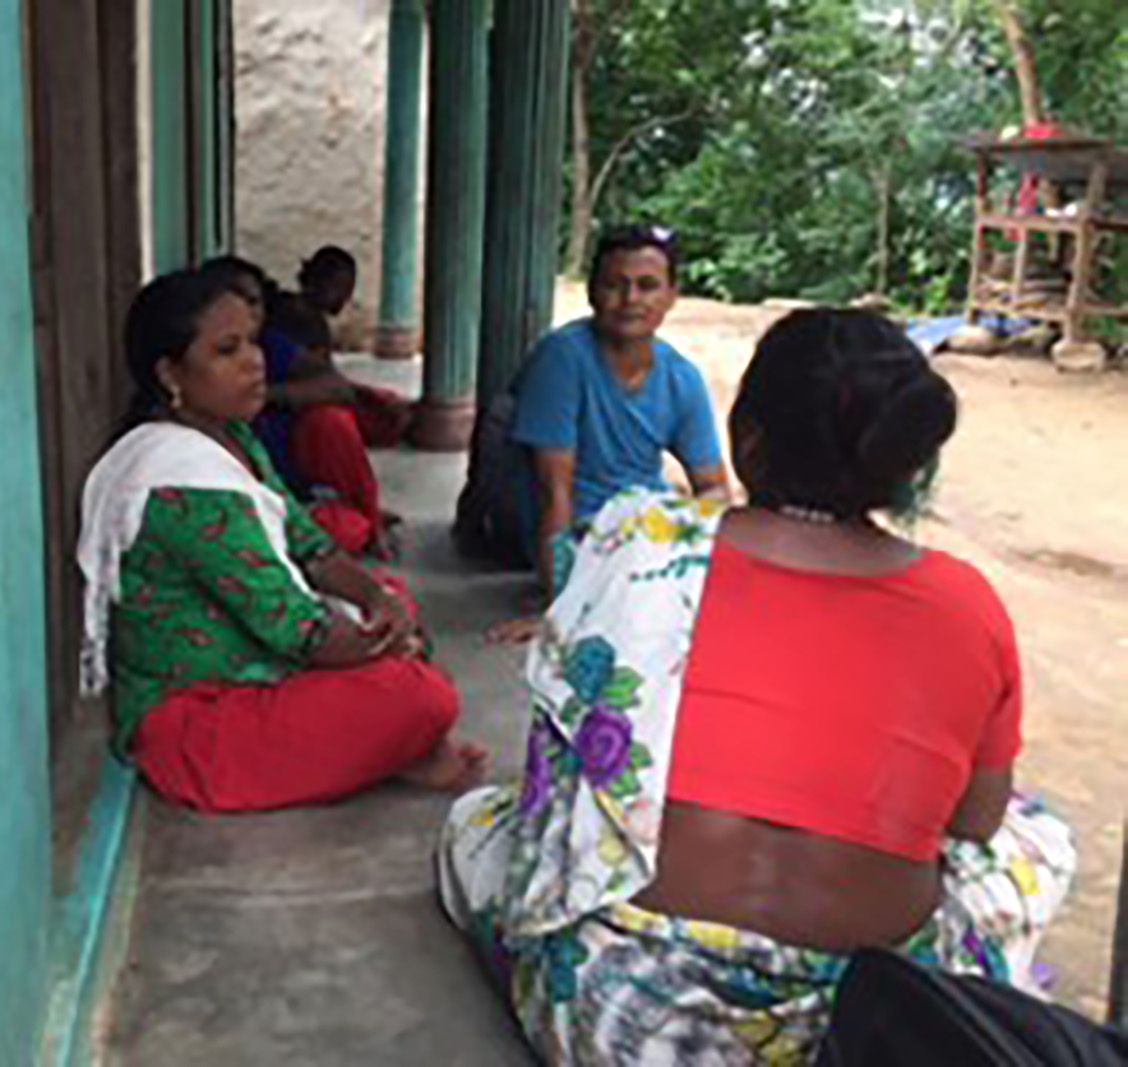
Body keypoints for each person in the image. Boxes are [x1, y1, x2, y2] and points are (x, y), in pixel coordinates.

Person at [437, 308, 1075, 1065]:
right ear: (904, 462)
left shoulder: (635, 541)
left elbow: (564, 783)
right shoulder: (966, 602)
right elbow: (975, 821)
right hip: (877, 1022)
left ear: (745, 435)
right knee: (1034, 836)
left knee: (479, 823)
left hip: (626, 1021)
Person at [78, 269, 486, 813]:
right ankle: (393, 745)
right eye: (227, 350)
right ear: (170, 373)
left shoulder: (231, 436)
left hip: (256, 670)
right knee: (425, 695)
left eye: (251, 340)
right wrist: (389, 643)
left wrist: (376, 601)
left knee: (394, 602)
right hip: (197, 725)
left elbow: (311, 546)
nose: (255, 360)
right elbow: (300, 631)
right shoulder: (184, 486)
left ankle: (389, 745)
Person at [461, 225, 729, 641]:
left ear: (672, 295)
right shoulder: (563, 358)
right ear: (591, 292)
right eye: (614, 285)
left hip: (642, 529)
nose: (631, 300)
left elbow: (713, 488)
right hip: (578, 532)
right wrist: (562, 611)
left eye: (647, 286)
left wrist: (691, 536)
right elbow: (555, 491)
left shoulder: (681, 377)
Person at [201, 255, 404, 558]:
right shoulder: (194, 377)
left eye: (254, 302)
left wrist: (264, 395)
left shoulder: (270, 345)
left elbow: (333, 385)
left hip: (287, 488)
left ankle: (361, 516)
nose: (245, 313)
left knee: (334, 424)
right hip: (233, 506)